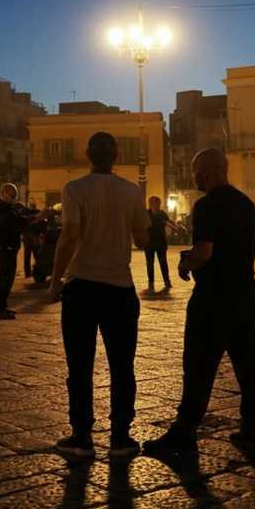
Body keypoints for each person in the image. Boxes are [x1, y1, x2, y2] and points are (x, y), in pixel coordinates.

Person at [144, 149, 255, 459]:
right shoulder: (247, 205)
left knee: (198, 366)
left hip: (213, 297)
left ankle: (184, 433)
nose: (193, 176)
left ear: (209, 172)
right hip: (244, 294)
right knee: (248, 366)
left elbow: (205, 251)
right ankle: (253, 430)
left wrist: (186, 262)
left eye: (196, 171)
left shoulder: (207, 206)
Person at [48, 132, 149, 459]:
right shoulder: (132, 191)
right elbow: (144, 239)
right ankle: (121, 436)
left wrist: (55, 279)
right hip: (120, 287)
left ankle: (81, 437)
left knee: (79, 365)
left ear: (87, 154)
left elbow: (69, 236)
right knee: (123, 365)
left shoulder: (74, 189)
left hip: (82, 286)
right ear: (116, 155)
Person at [0, 184, 29, 319]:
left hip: (7, 248)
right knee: (5, 280)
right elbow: (10, 224)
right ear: (3, 193)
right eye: (11, 194)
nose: (14, 197)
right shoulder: (2, 209)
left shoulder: (7, 208)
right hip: (5, 249)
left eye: (14, 194)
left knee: (7, 280)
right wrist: (29, 220)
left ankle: (1, 307)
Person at [144, 196, 183, 291]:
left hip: (161, 242)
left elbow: (168, 222)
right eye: (155, 203)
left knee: (163, 263)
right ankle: (151, 283)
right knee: (150, 263)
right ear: (151, 204)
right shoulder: (146, 213)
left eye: (158, 203)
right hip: (149, 243)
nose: (157, 205)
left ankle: (167, 281)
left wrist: (176, 228)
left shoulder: (162, 213)